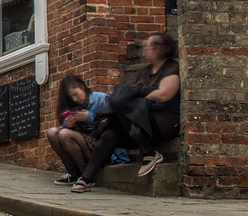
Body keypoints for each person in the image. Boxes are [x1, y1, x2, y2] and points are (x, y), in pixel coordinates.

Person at [70, 32, 181, 193]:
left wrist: (138, 93)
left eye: (151, 46)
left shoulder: (170, 68)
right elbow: (133, 98)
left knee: (124, 104)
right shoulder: (144, 72)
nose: (146, 50)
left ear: (163, 49)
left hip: (163, 121)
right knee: (110, 134)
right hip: (138, 125)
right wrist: (137, 94)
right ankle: (86, 178)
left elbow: (164, 94)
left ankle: (149, 154)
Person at [46, 75, 128, 185]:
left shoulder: (101, 99)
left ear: (82, 87)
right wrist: (69, 125)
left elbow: (113, 126)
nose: (75, 99)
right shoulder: (75, 107)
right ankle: (72, 173)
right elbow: (61, 136)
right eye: (71, 97)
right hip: (82, 148)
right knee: (52, 132)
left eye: (76, 94)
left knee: (65, 134)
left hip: (102, 147)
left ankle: (85, 176)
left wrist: (89, 118)